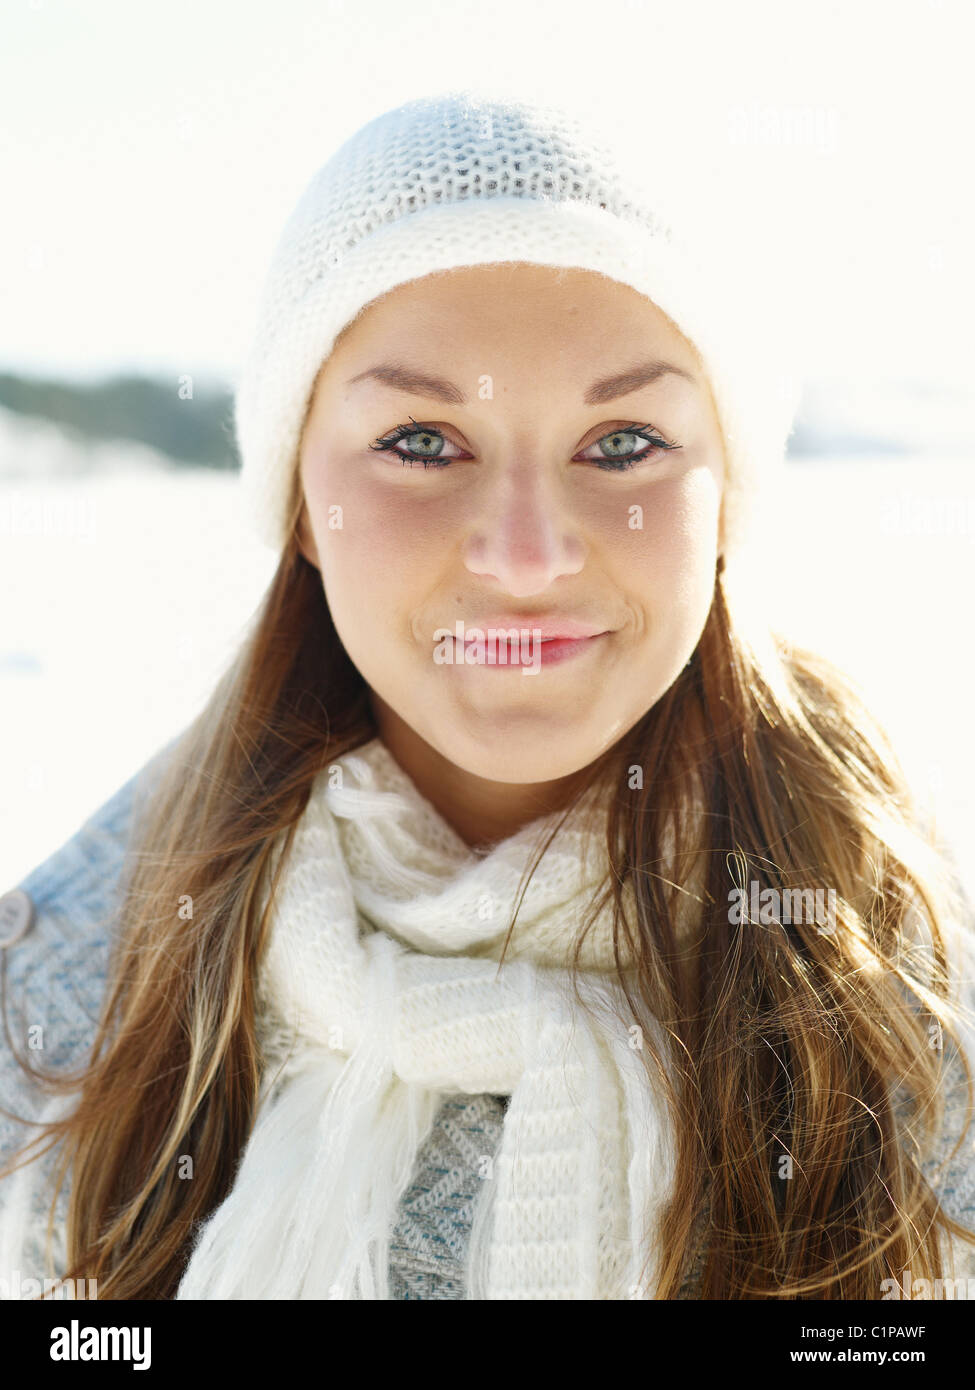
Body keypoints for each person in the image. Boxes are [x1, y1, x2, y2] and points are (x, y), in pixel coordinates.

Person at [2, 89, 974, 1302]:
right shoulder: (61, 1014)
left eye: (622, 443)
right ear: (302, 499)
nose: (524, 557)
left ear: (727, 497)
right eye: (420, 443)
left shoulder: (918, 996)